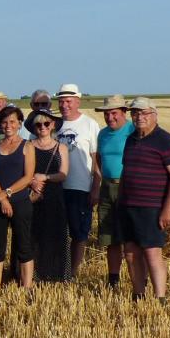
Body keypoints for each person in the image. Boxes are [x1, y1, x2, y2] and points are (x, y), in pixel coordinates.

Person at [119, 97, 170, 301]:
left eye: (144, 113)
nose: (139, 117)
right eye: (135, 113)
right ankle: (138, 294)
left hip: (151, 207)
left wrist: (167, 210)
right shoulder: (131, 139)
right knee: (130, 253)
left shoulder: (165, 140)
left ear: (154, 115)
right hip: (127, 205)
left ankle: (160, 297)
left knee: (151, 252)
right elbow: (125, 172)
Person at [0, 106, 36, 289]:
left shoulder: (27, 146)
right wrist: (2, 199)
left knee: (24, 245)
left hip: (21, 202)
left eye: (12, 121)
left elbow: (28, 177)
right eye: (4, 122)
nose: (8, 125)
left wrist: (7, 193)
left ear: (19, 124)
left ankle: (27, 287)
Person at [54, 83, 101, 277]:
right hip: (56, 187)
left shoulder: (89, 124)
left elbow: (96, 159)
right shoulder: (53, 125)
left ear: (77, 102)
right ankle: (58, 269)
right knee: (58, 232)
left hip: (80, 186)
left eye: (68, 101)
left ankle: (73, 272)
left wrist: (96, 187)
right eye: (62, 101)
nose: (65, 105)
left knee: (79, 233)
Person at [24, 109, 71, 282]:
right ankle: (33, 275)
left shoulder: (62, 147)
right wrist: (32, 182)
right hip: (33, 195)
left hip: (54, 195)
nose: (42, 127)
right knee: (33, 235)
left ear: (52, 125)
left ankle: (56, 274)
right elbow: (23, 172)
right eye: (38, 124)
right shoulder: (28, 146)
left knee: (55, 234)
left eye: (46, 123)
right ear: (34, 128)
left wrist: (46, 177)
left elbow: (63, 174)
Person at [95, 94, 134, 289]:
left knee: (129, 238)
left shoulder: (132, 130)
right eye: (107, 114)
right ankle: (113, 280)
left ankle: (138, 279)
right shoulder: (102, 134)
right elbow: (100, 159)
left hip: (127, 186)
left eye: (114, 113)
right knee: (110, 237)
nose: (110, 117)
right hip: (107, 186)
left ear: (124, 113)